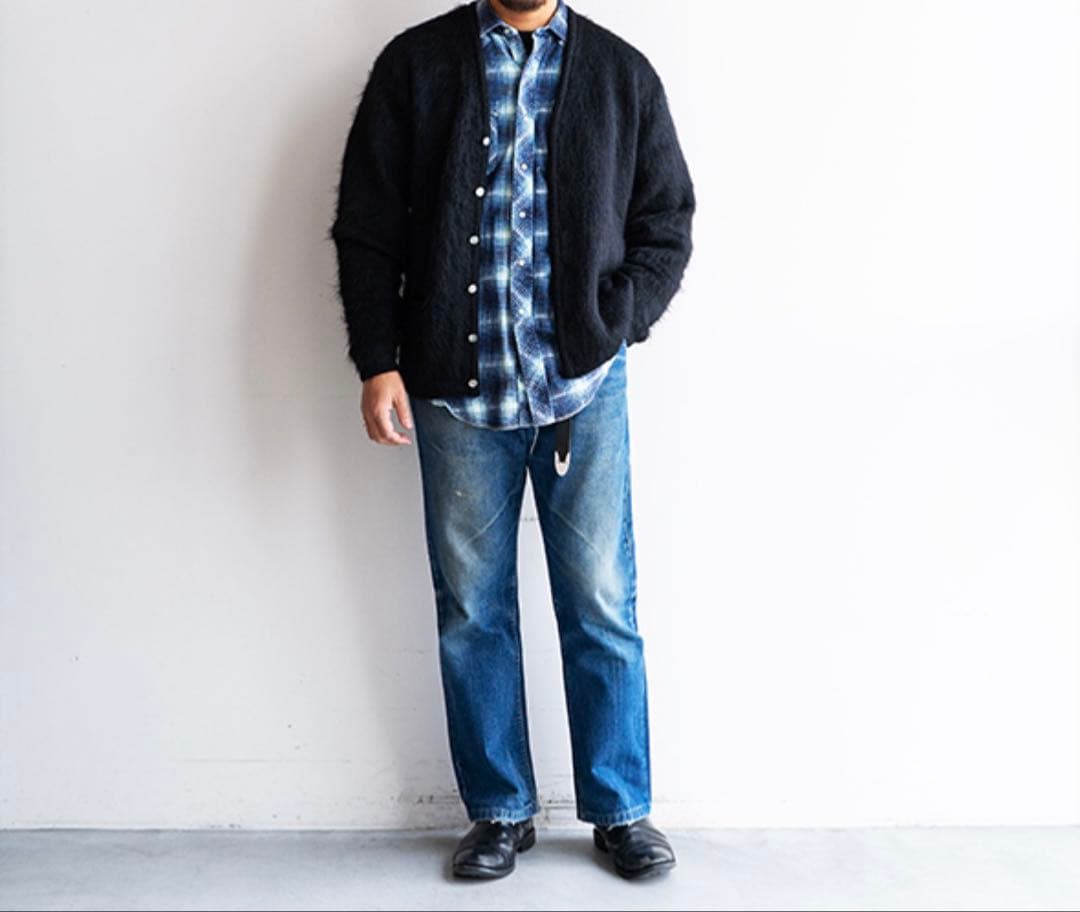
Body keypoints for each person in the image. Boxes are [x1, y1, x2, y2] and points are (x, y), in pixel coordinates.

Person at [330, 0, 695, 881]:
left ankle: (621, 809)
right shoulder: (416, 66)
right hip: (455, 392)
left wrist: (612, 322)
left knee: (602, 602)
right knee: (471, 611)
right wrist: (377, 361)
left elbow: (666, 221)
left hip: (581, 389)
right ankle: (498, 811)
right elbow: (369, 227)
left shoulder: (621, 74)